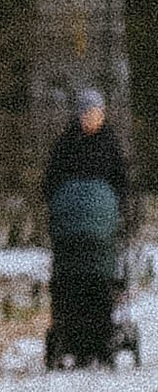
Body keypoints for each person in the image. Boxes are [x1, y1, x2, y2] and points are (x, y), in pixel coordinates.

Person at [45, 88, 132, 368]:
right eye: (86, 113)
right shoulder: (66, 144)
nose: (91, 118)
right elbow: (51, 181)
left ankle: (100, 342)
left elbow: (121, 182)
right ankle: (71, 339)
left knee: (100, 284)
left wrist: (116, 210)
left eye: (96, 113)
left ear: (102, 115)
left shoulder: (110, 145)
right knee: (68, 285)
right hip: (70, 230)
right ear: (79, 115)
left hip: (100, 232)